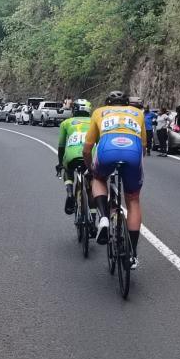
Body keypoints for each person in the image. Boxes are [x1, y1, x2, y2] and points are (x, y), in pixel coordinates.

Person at [83, 91, 146, 269]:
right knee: (133, 200)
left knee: (99, 178)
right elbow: (144, 148)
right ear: (126, 104)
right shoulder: (138, 113)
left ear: (108, 103)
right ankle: (132, 254)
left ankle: (103, 217)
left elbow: (87, 149)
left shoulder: (99, 112)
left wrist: (91, 169)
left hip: (107, 149)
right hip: (133, 150)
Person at [56, 99, 92, 215]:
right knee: (93, 181)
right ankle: (94, 214)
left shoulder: (66, 123)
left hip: (72, 156)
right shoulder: (95, 122)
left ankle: (70, 193)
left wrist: (60, 163)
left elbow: (61, 146)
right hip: (90, 155)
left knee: (68, 169)